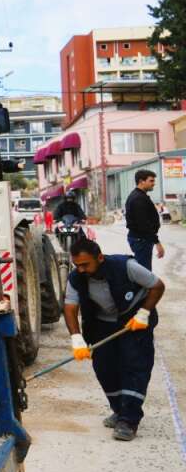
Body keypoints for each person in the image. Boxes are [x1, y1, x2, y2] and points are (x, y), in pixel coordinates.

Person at [65, 237, 164, 441]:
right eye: (77, 265)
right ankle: (119, 410)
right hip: (102, 324)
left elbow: (157, 286)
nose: (81, 269)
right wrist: (76, 337)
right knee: (104, 368)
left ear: (99, 258)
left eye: (85, 264)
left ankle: (129, 420)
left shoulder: (126, 266)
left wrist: (144, 313)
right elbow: (70, 307)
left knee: (134, 365)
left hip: (134, 320)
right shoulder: (76, 277)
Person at [125, 169, 164, 270]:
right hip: (141, 240)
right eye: (151, 181)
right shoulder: (138, 198)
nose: (153, 184)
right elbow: (143, 225)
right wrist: (157, 243)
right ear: (141, 181)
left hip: (142, 239)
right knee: (144, 273)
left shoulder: (139, 196)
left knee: (142, 271)